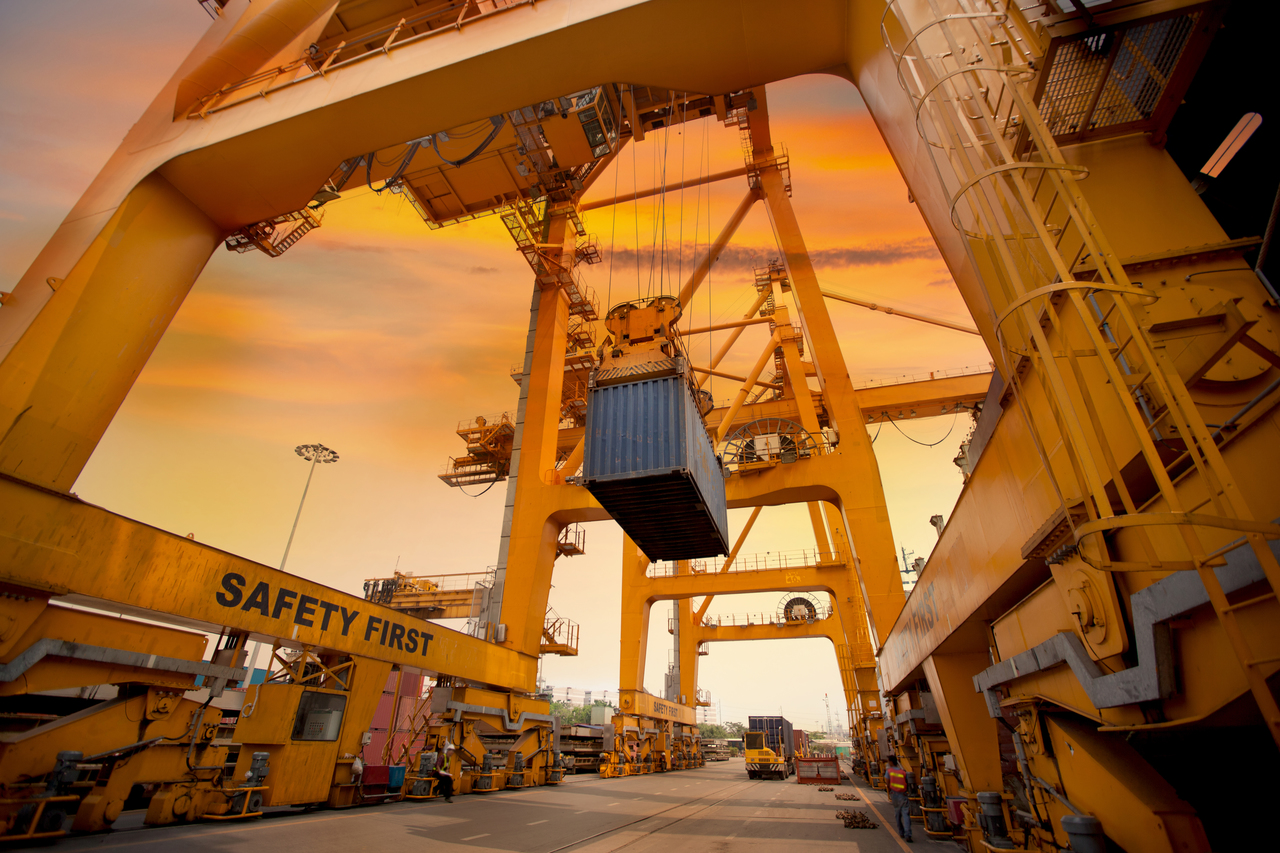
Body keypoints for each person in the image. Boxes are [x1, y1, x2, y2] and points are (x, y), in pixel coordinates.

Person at [884, 755, 913, 843]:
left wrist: (889, 791)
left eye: (889, 761)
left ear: (891, 762)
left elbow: (887, 783)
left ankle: (901, 832)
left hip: (895, 795)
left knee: (897, 814)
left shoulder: (889, 771)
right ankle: (908, 834)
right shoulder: (903, 772)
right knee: (906, 815)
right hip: (903, 794)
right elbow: (906, 782)